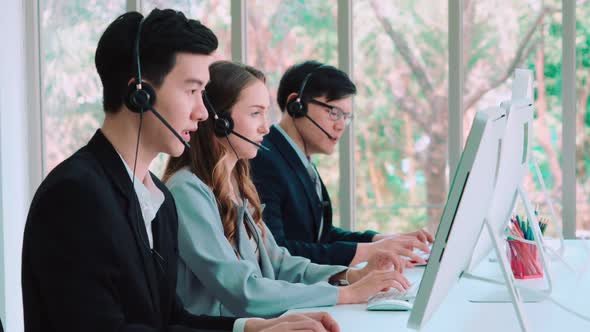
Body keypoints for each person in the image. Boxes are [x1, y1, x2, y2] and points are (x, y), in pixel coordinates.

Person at [21, 10, 338, 332]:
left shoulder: (158, 199)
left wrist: (254, 328)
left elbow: (170, 320)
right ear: (139, 94)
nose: (202, 113)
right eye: (192, 91)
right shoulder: (75, 195)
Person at [163, 61, 409, 318]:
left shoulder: (238, 185)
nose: (265, 127)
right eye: (255, 113)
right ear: (219, 121)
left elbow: (278, 262)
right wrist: (346, 295)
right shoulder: (188, 191)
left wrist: (349, 276)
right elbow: (243, 292)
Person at [249, 60, 434, 267]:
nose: (341, 126)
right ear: (296, 105)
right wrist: (368, 252)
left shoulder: (298, 159)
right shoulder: (263, 159)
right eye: (334, 112)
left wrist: (380, 240)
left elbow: (319, 236)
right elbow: (276, 251)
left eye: (346, 116)